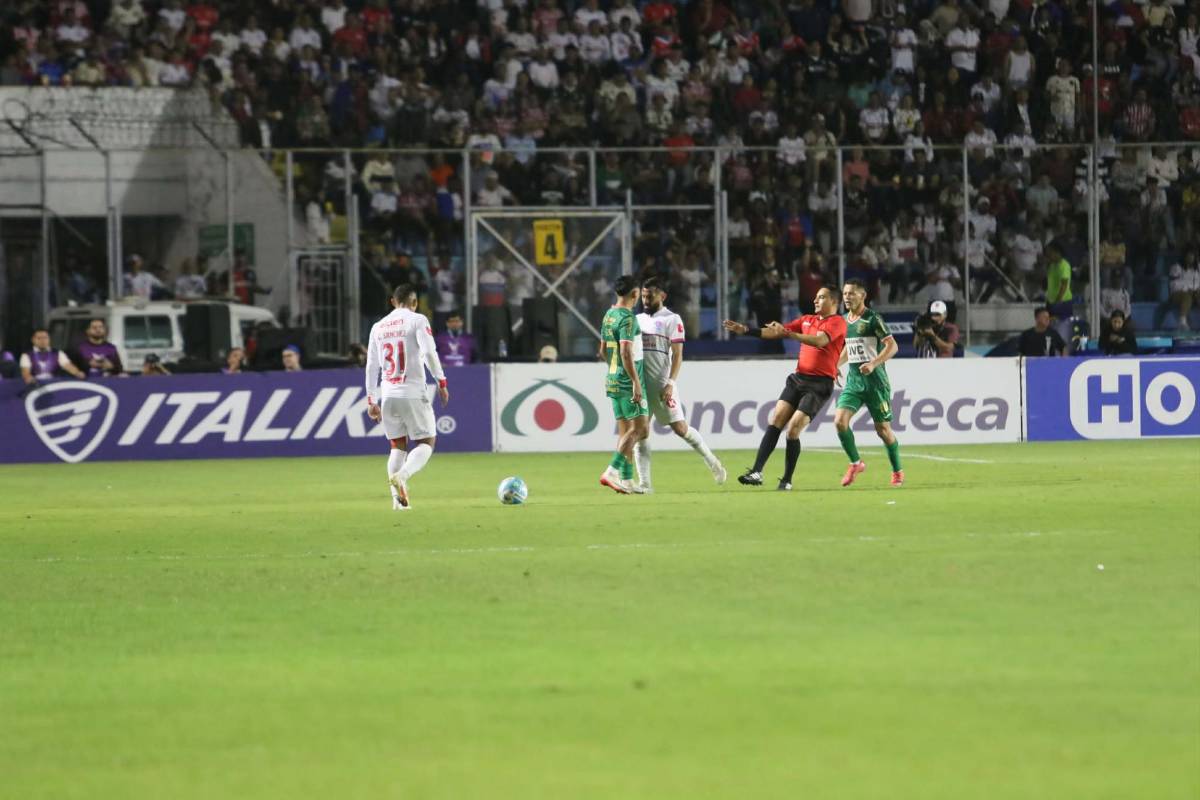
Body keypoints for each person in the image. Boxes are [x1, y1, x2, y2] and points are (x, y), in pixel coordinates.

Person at [722, 285, 847, 490]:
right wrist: (746, 330)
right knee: (776, 421)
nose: (815, 300)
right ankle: (756, 472)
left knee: (793, 429)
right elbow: (777, 332)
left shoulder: (838, 322)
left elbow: (819, 341)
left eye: (821, 297)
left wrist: (789, 333)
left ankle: (787, 480)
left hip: (819, 384)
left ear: (834, 301)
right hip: (798, 378)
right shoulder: (807, 319)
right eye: (816, 297)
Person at [632, 276, 726, 493]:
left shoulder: (672, 319)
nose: (645, 300)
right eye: (643, 296)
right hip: (641, 387)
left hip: (661, 385)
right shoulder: (636, 320)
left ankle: (712, 462)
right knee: (641, 432)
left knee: (681, 429)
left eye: (650, 296)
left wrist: (670, 383)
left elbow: (678, 355)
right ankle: (645, 484)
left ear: (662, 296)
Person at [365, 283, 449, 510]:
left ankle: (398, 503)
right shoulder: (418, 320)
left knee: (397, 447)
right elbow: (429, 352)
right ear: (415, 302)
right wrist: (441, 381)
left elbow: (372, 366)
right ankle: (402, 476)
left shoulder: (377, 327)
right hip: (412, 392)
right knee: (426, 442)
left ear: (393, 301)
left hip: (388, 395)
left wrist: (371, 400)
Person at [834, 279, 904, 488]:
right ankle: (856, 463)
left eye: (851, 293)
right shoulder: (844, 320)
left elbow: (893, 346)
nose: (847, 297)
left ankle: (897, 470)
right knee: (839, 421)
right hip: (854, 382)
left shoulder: (873, 319)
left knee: (883, 430)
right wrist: (835, 365)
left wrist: (873, 363)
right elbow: (850, 348)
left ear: (863, 296)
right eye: (845, 293)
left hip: (876, 384)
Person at [598, 274, 649, 494]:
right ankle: (611, 472)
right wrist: (636, 382)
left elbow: (602, 350)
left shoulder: (609, 315)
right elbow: (626, 352)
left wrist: (615, 371)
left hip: (613, 379)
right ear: (635, 293)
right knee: (641, 429)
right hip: (628, 382)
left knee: (626, 432)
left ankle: (627, 480)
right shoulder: (628, 318)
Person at [20, 329, 85, 385]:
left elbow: (68, 365)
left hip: (54, 384)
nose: (43, 341)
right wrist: (28, 377)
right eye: (39, 338)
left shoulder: (58, 353)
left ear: (49, 339)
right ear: (33, 340)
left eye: (45, 338)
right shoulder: (26, 355)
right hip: (35, 385)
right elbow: (25, 371)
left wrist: (77, 373)